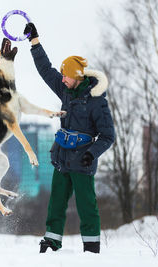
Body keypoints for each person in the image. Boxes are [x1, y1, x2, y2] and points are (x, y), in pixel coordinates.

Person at [23, 23, 115, 254]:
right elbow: (46, 69)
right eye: (62, 75)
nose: (62, 79)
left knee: (87, 207)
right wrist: (34, 42)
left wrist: (90, 154)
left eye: (66, 76)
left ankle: (91, 247)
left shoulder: (97, 102)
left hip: (82, 162)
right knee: (56, 204)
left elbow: (108, 136)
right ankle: (52, 241)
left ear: (76, 76)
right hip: (62, 158)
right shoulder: (65, 90)